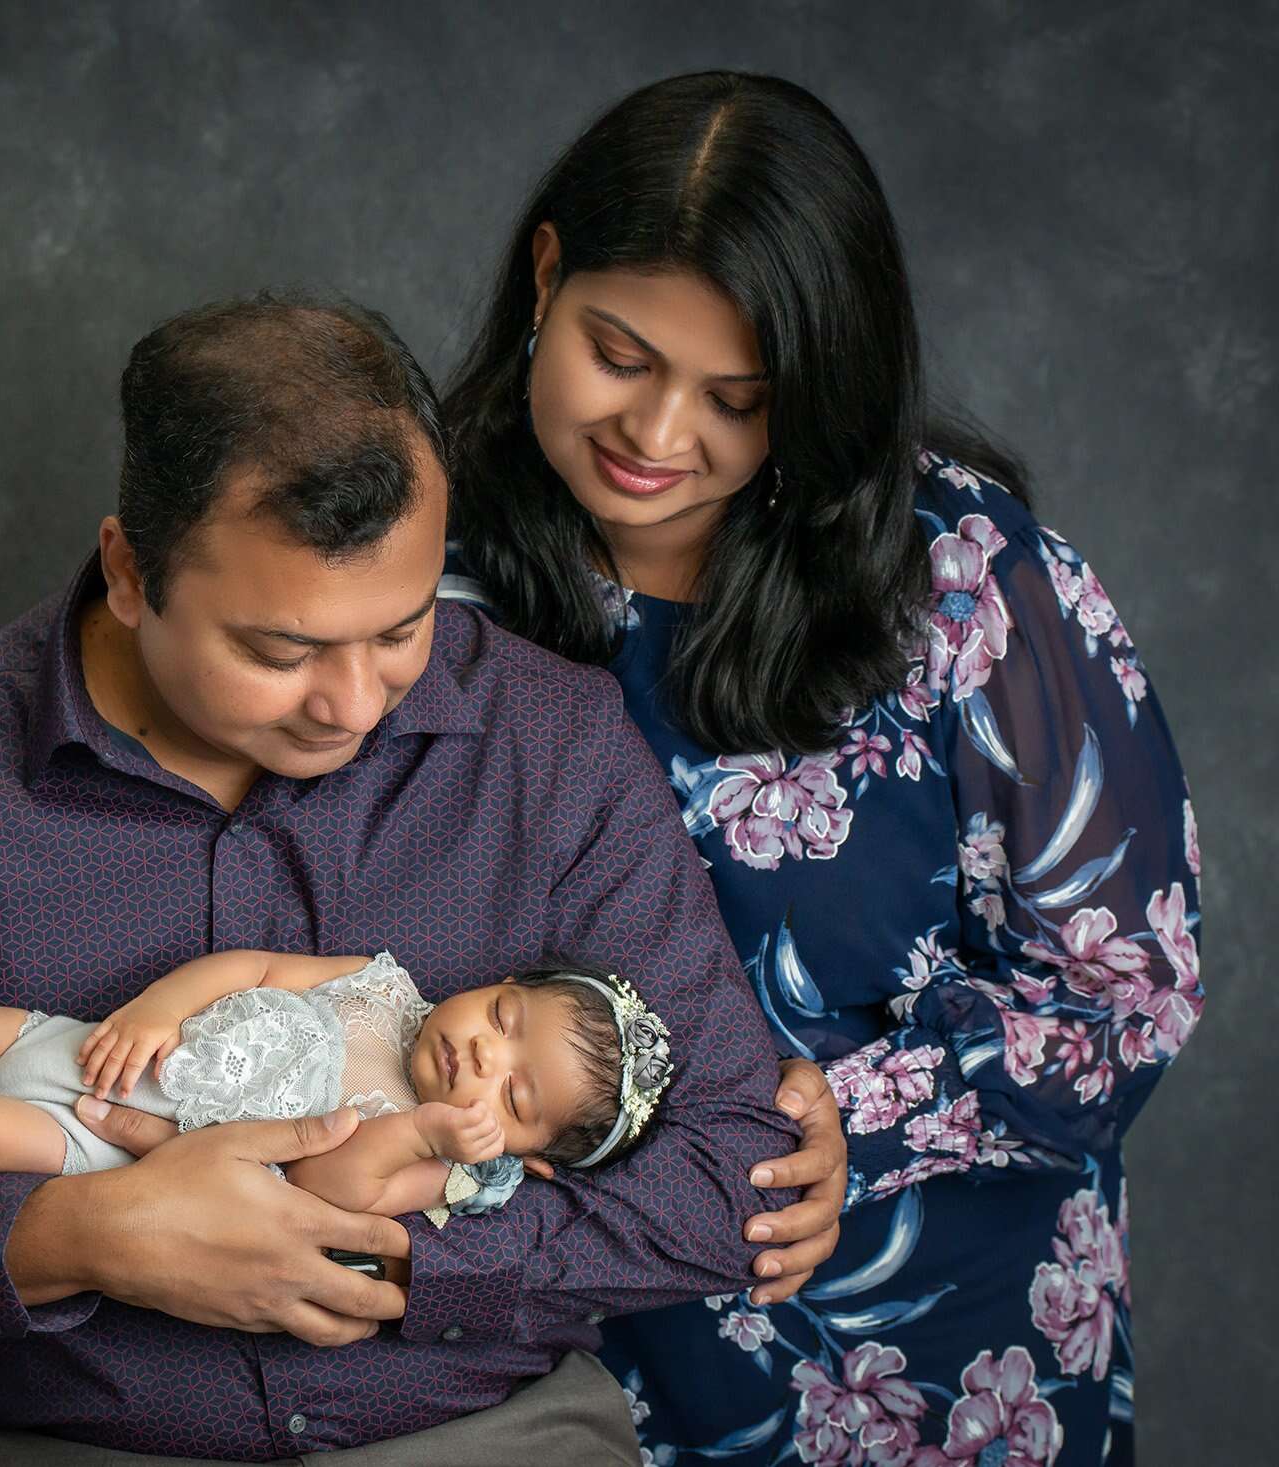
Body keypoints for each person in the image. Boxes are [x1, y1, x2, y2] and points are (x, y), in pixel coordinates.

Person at [0, 294, 838, 1464]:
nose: (354, 703)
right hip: (80, 1444)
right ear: (127, 571)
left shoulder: (552, 742)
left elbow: (732, 1169)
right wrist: (73, 1237)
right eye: (280, 650)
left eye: (401, 628)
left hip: (481, 1433)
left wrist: (409, 1257)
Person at [440, 70, 1202, 1465]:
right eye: (621, 353)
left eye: (738, 398)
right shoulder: (413, 567)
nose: (661, 437)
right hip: (532, 1381)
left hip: (942, 1374)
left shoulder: (967, 583)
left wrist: (856, 1114)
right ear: (546, 273)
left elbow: (1128, 994)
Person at [0, 948, 674, 1224]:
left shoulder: (438, 1163)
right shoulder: (380, 987)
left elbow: (335, 1197)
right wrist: (160, 1010)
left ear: (528, 1160)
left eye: (514, 1100)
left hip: (107, 1149)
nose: (481, 1062)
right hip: (99, 1050)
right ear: (499, 984)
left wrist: (426, 1137)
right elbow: (250, 968)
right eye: (502, 1021)